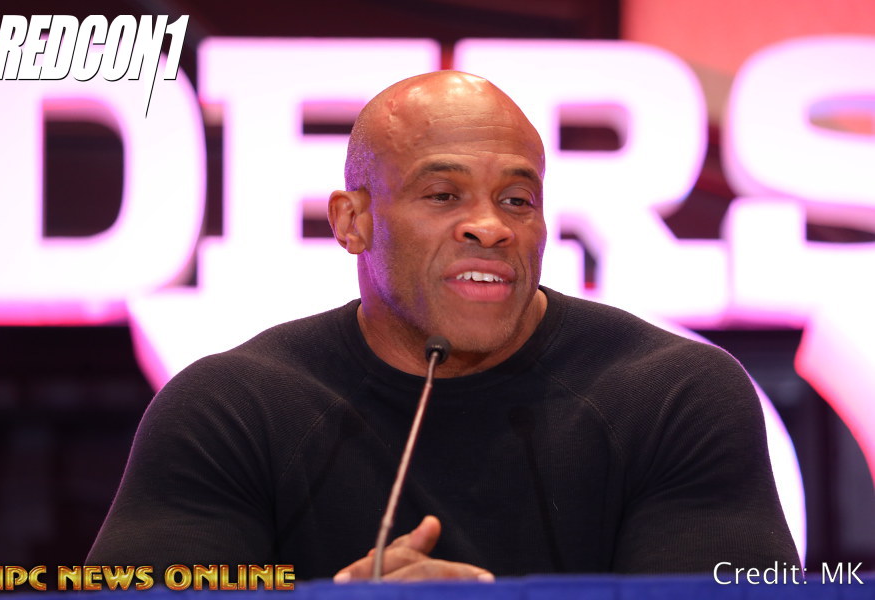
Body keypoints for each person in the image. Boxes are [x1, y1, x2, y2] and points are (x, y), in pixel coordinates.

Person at [87, 71, 799, 582]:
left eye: (517, 199)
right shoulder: (232, 408)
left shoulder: (672, 395)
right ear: (353, 221)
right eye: (442, 194)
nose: (489, 226)